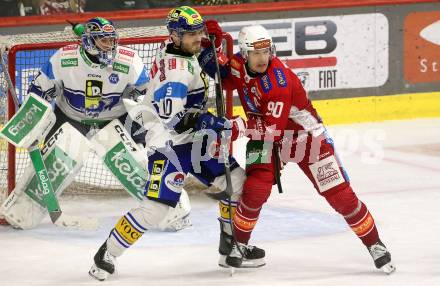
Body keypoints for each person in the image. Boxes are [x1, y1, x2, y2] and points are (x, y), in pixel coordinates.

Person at [201, 22, 396, 274]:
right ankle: (239, 245)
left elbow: (272, 130)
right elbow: (221, 75)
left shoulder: (279, 83)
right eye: (256, 53)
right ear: (245, 53)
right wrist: (207, 45)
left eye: (266, 52)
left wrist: (236, 126)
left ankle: (375, 245)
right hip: (266, 135)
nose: (262, 59)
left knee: (340, 196)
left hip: (304, 138)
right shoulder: (239, 64)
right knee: (255, 189)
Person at [88, 6, 265, 281]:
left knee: (238, 183)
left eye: (198, 32)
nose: (197, 38)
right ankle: (107, 253)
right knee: (157, 208)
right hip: (168, 145)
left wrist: (209, 42)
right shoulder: (177, 73)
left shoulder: (174, 46)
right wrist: (211, 122)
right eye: (191, 34)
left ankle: (229, 247)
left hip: (194, 141)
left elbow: (194, 54)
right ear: (175, 35)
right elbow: (176, 120)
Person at [1, 16, 191, 232]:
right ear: (90, 41)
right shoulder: (63, 59)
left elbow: (146, 95)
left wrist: (142, 111)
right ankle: (22, 210)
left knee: (133, 161)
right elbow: (40, 91)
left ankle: (171, 208)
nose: (111, 45)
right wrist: (34, 119)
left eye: (112, 40)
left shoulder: (129, 61)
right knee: (58, 159)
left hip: (115, 117)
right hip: (71, 117)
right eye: (104, 41)